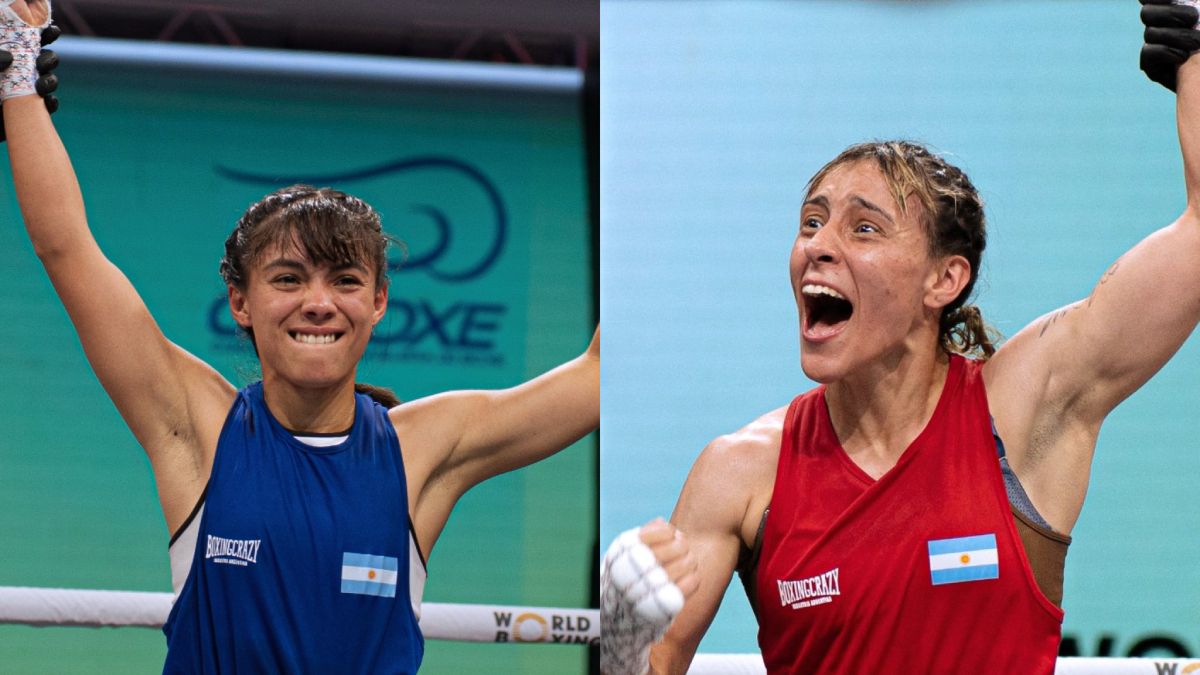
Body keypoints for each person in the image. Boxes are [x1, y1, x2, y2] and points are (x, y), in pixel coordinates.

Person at [1, 1, 598, 673]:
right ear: (241, 302)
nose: (318, 303)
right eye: (289, 278)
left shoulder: (424, 449)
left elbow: (597, 377)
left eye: (343, 280)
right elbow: (66, 248)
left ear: (378, 301)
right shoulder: (197, 427)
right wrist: (17, 70)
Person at [601, 4, 1200, 674]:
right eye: (811, 222)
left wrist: (1198, 59)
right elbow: (659, 661)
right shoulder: (742, 472)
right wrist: (625, 646)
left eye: (863, 228)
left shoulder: (1019, 412)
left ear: (945, 279)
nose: (818, 247)